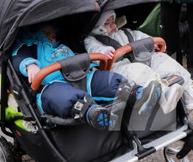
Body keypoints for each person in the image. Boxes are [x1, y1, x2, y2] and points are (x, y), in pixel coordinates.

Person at [11, 23, 162, 130]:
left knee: (105, 79)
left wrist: (90, 65)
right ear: (36, 32)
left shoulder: (62, 45)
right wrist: (29, 65)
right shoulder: (29, 44)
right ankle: (92, 112)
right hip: (51, 84)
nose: (51, 36)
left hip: (81, 76)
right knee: (62, 97)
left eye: (53, 33)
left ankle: (138, 94)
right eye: (46, 33)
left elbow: (78, 55)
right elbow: (18, 55)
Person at [84, 10, 193, 111]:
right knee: (142, 71)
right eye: (107, 23)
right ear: (97, 26)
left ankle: (190, 93)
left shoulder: (124, 31)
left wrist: (152, 42)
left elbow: (138, 36)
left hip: (138, 58)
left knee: (162, 59)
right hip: (118, 67)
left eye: (113, 21)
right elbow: (92, 48)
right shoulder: (92, 40)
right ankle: (164, 96)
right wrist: (104, 51)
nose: (112, 25)